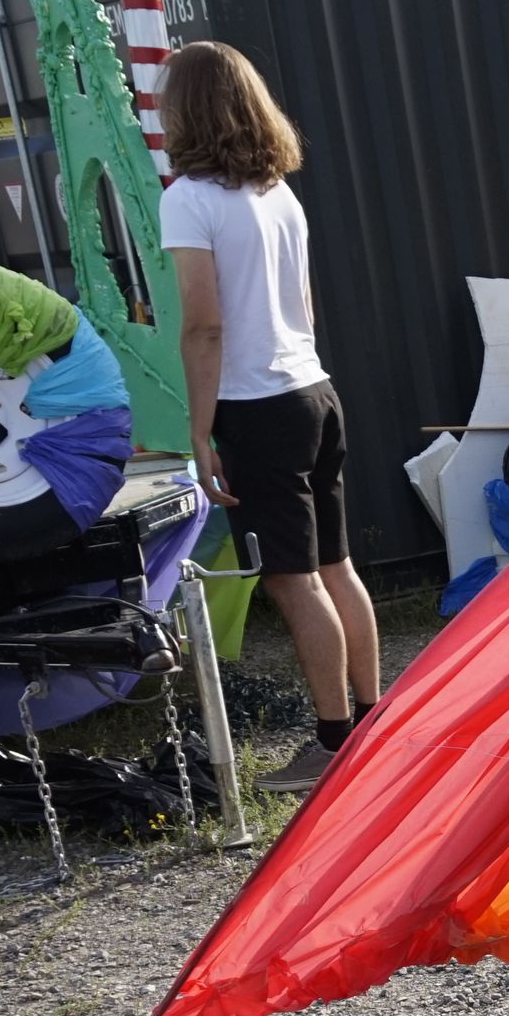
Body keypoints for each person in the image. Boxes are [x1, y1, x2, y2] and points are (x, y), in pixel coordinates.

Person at [159, 40, 379, 795]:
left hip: (257, 407)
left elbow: (203, 326)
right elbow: (304, 306)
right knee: (335, 565)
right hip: (315, 390)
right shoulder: (279, 193)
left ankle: (331, 745)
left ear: (183, 110)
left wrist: (199, 429)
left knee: (292, 580)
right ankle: (370, 720)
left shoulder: (188, 197)